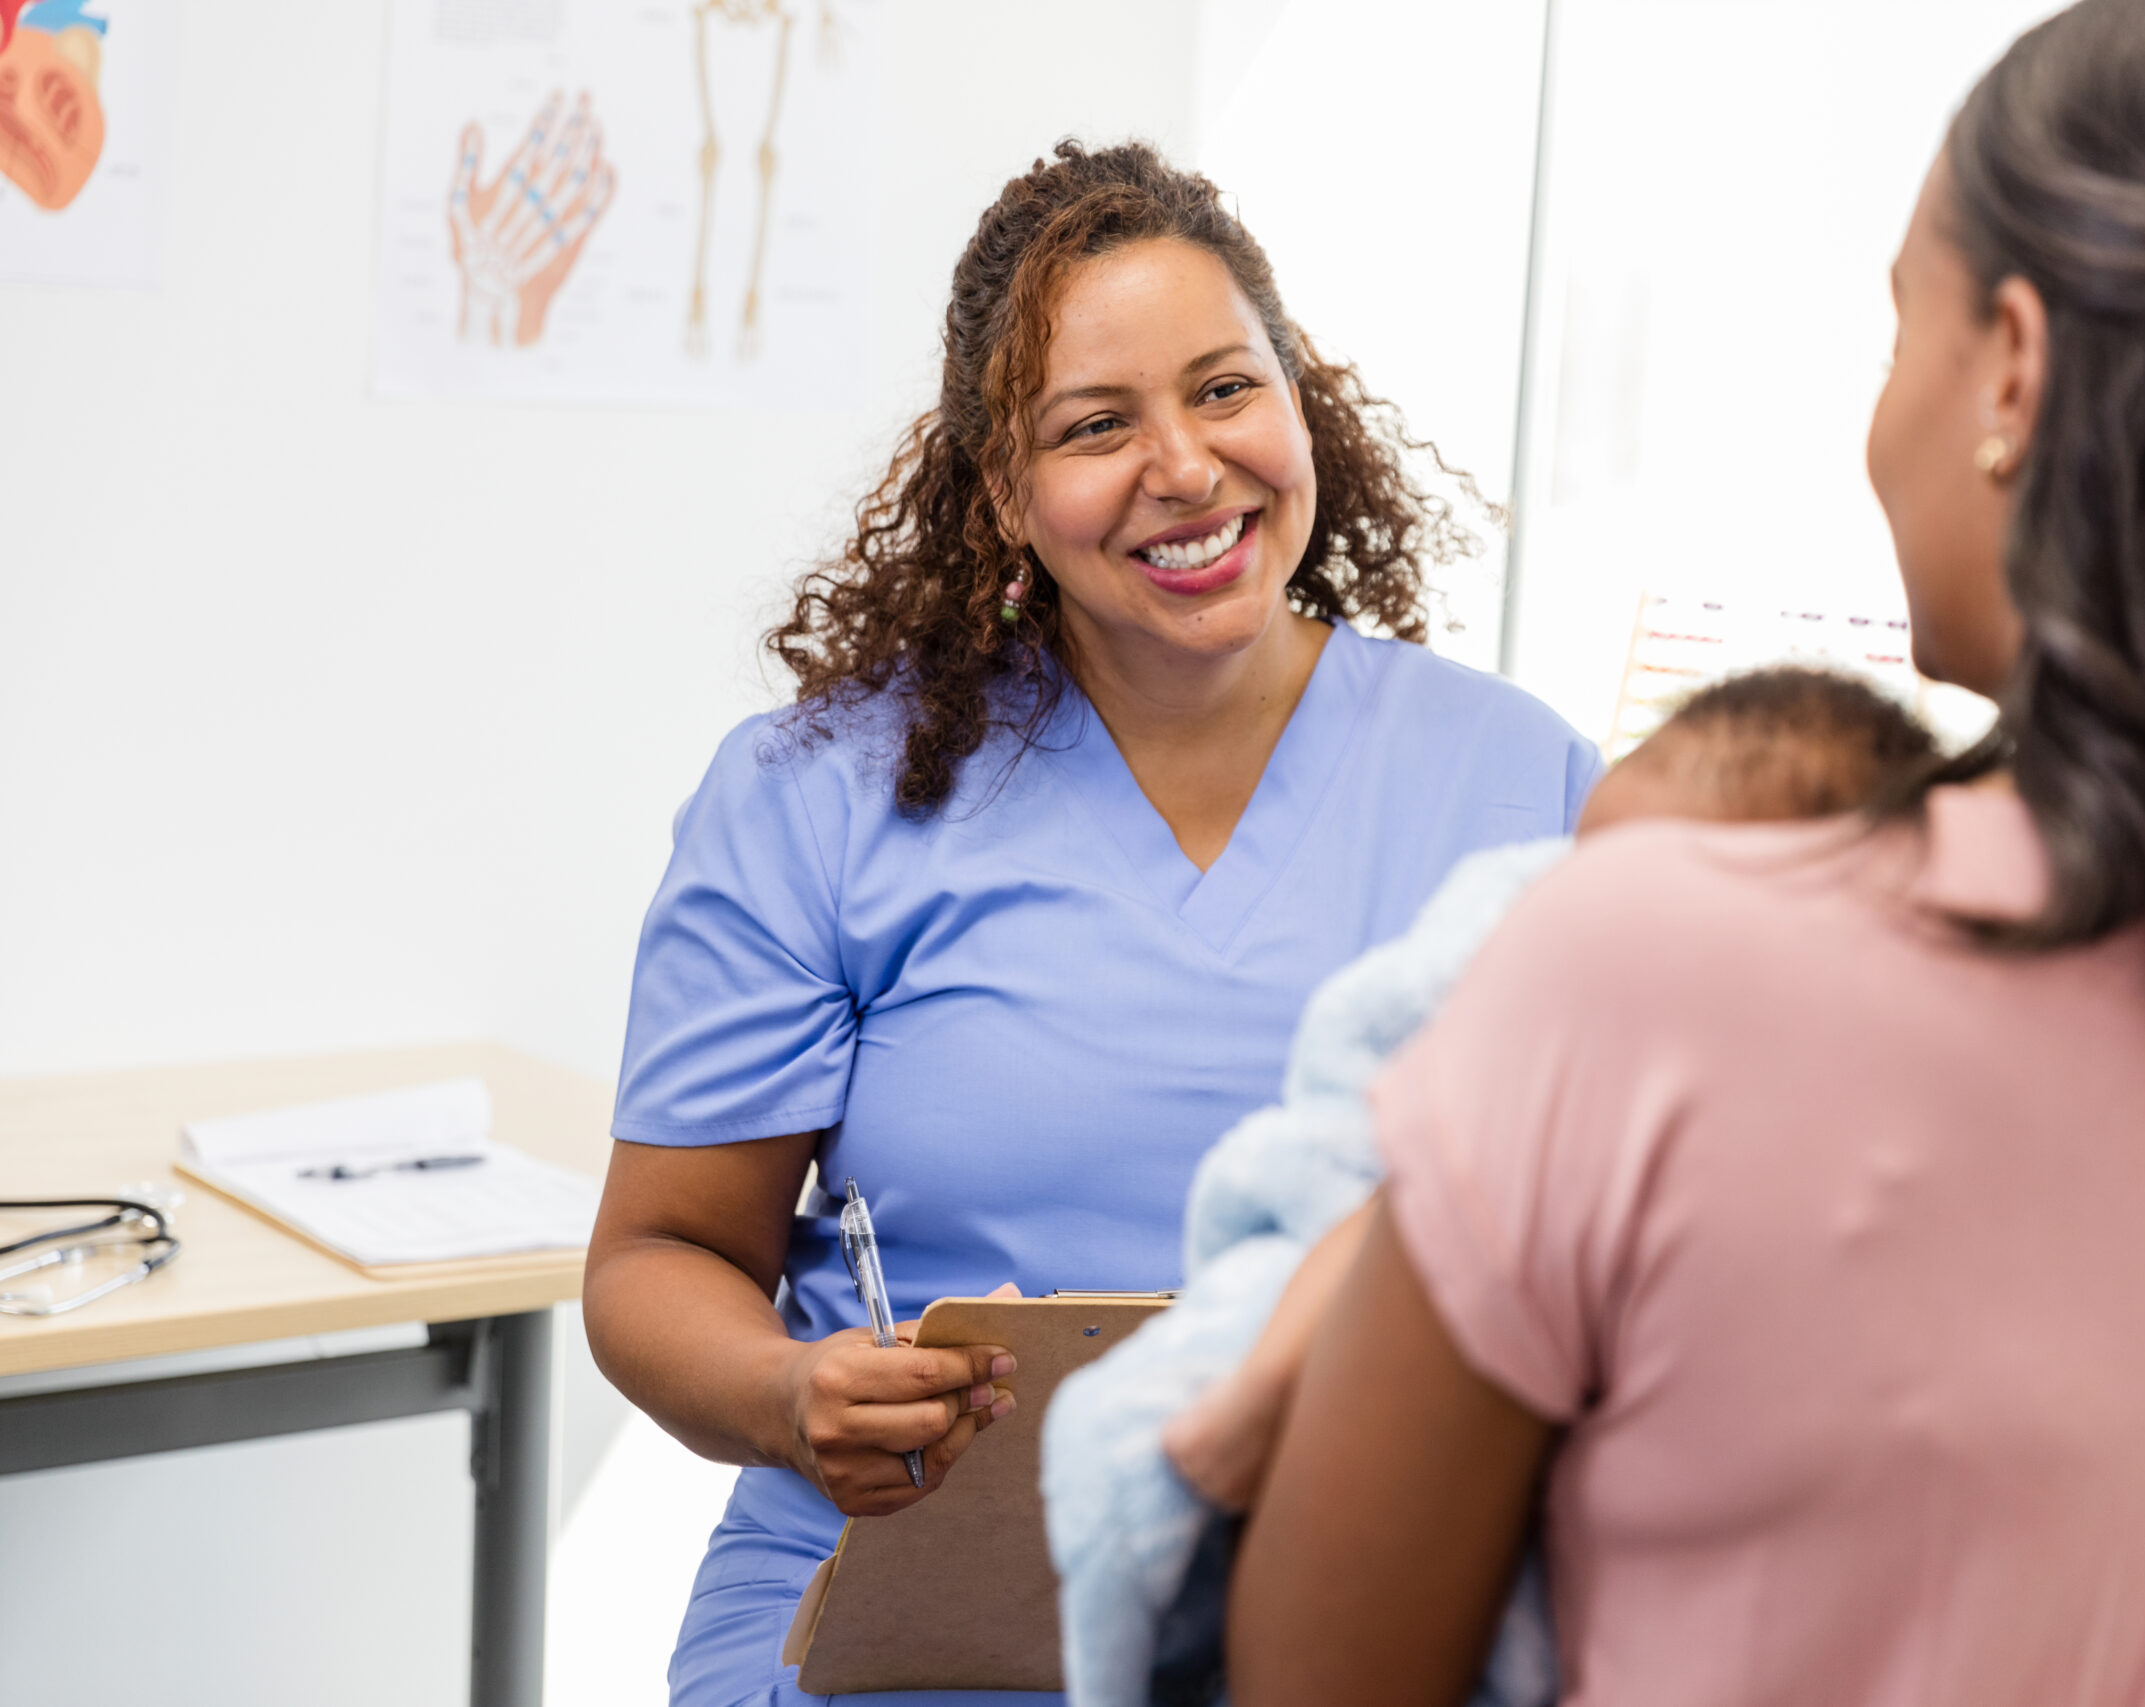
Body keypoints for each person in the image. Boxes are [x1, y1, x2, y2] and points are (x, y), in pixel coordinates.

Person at [1227, 3, 2145, 1705]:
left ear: (2012, 362)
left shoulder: (1661, 968)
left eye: (1894, 330)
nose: (1877, 418)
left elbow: (1306, 1670)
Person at [583, 140, 1599, 1707]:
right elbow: (658, 1256)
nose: (1184, 466)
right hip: (909, 1602)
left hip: (1357, 1594)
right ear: (1004, 489)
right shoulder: (820, 797)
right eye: (1096, 426)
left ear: (1299, 401)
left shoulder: (1520, 774)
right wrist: (796, 1396)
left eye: (1225, 389)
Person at [1043, 668, 1938, 1707]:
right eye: (1575, 876)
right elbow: (1388, 1112)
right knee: (1397, 1209)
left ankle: (1240, 1408)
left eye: (1618, 892)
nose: (1567, 905)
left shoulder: (1803, 1058)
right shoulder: (1526, 969)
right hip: (1411, 1213)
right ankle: (1241, 1400)